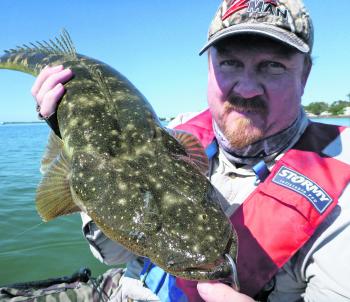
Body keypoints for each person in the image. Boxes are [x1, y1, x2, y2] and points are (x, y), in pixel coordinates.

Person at [29, 0, 350, 301]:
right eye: (229, 62)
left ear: (305, 74)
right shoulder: (175, 134)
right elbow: (116, 254)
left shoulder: (343, 191)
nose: (247, 88)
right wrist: (78, 141)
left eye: (273, 66)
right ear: (210, 67)